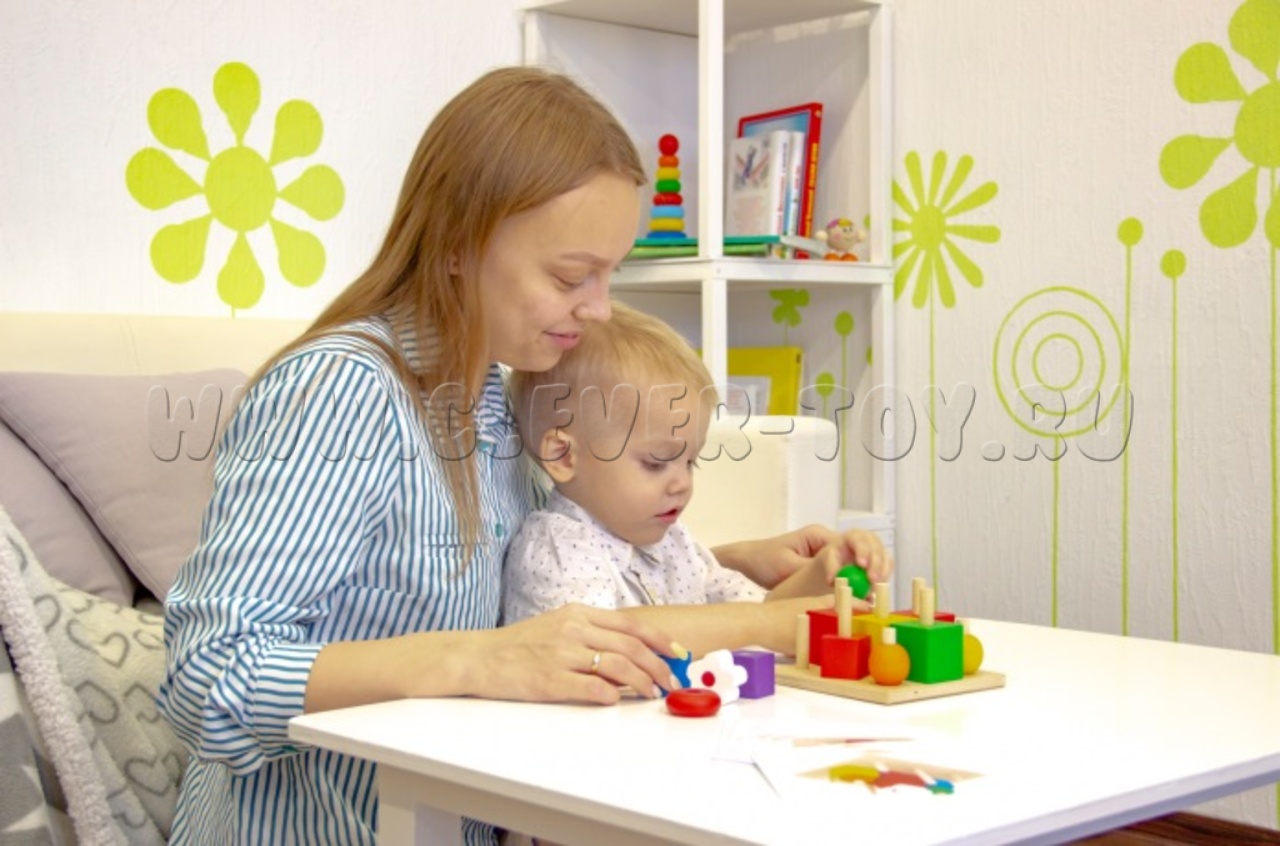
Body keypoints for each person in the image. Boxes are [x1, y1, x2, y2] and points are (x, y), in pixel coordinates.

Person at [158, 66, 887, 846]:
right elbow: (209, 674)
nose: (598, 308)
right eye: (572, 276)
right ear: (459, 244)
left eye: (609, 275)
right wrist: (477, 660)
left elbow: (552, 570)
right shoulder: (343, 392)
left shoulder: (496, 396)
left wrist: (734, 562)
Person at [502, 301, 892, 655]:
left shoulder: (673, 544)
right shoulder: (557, 546)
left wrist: (824, 573)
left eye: (690, 462)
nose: (682, 484)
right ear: (563, 455)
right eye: (657, 462)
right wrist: (765, 623)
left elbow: (759, 614)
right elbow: (602, 639)